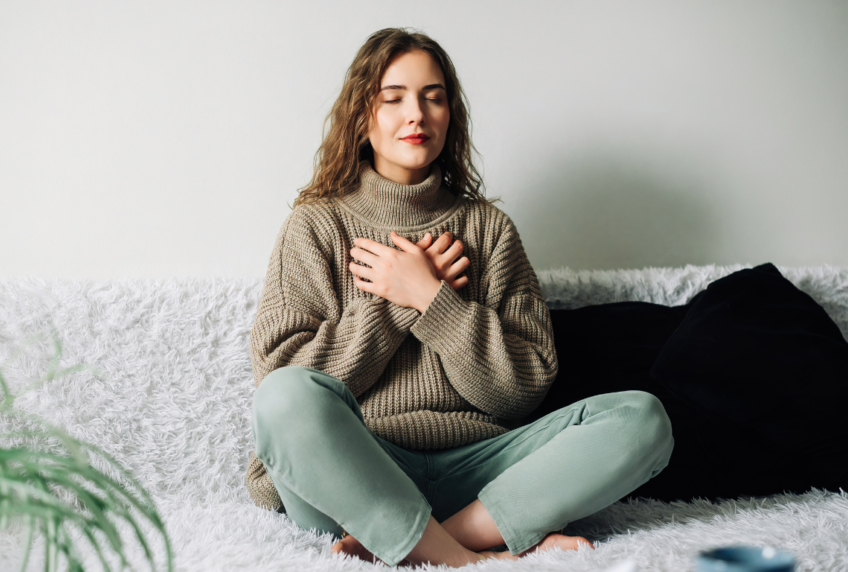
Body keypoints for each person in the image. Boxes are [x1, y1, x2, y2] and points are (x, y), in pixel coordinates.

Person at [245, 28, 674, 568]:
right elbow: (283, 375)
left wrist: (434, 299)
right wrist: (394, 303)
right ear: (361, 115)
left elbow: (520, 391)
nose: (417, 114)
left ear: (451, 114)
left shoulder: (489, 231)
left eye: (434, 96)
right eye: (393, 96)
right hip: (360, 476)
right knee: (281, 397)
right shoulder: (315, 226)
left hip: (486, 473)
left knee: (643, 420)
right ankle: (471, 556)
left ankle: (431, 542)